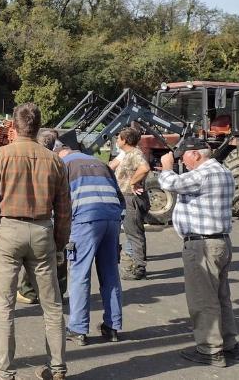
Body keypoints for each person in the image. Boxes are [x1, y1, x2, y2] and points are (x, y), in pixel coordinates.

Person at [0, 103, 71, 380]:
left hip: (7, 231)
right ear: (39, 127)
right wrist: (60, 244)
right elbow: (64, 209)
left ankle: (4, 373)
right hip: (42, 231)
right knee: (52, 306)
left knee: (4, 307)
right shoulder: (55, 160)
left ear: (13, 127)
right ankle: (57, 369)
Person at [158, 139, 239, 367]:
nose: (181, 161)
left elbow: (171, 183)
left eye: (183, 156)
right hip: (220, 242)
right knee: (221, 298)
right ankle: (229, 345)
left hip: (202, 245)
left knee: (203, 300)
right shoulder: (221, 170)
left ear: (195, 154)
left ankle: (210, 350)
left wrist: (166, 166)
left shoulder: (205, 173)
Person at [44, 131, 125, 347]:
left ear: (57, 151)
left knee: (80, 273)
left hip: (85, 220)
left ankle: (78, 329)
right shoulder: (100, 163)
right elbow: (120, 197)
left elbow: (58, 202)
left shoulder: (63, 166)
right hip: (112, 218)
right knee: (110, 273)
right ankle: (113, 326)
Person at [16, 130, 69, 305]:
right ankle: (58, 293)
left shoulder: (25, 159)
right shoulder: (57, 162)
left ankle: (29, 291)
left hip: (35, 217)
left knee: (32, 257)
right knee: (57, 256)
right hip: (51, 216)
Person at [109, 127, 150, 280]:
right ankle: (136, 262)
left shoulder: (135, 154)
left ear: (125, 140)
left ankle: (139, 268)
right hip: (125, 196)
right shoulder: (126, 153)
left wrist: (134, 181)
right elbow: (111, 166)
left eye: (119, 138)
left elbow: (145, 168)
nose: (117, 141)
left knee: (134, 234)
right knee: (133, 232)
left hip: (130, 198)